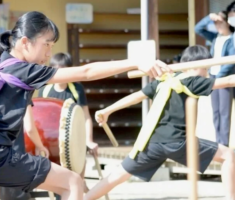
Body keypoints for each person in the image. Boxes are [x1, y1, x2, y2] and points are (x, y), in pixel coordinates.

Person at [0, 11, 170, 200]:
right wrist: (136, 62)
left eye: (52, 46)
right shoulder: (27, 71)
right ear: (25, 42)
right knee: (72, 182)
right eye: (46, 45)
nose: (48, 53)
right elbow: (86, 72)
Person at [84, 45, 235, 200]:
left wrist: (107, 110)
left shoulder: (163, 82)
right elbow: (229, 80)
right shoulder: (193, 82)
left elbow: (136, 96)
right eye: (205, 67)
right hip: (178, 142)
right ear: (195, 66)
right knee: (228, 155)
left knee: (117, 175)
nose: (206, 72)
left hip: (152, 144)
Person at [38, 52, 97, 193]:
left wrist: (89, 140)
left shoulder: (76, 89)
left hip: (74, 137)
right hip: (53, 139)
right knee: (62, 182)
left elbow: (86, 117)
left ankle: (83, 188)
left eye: (63, 70)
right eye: (56, 70)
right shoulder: (45, 90)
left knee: (78, 173)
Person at [195, 11, 235, 147]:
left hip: (224, 79)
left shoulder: (232, 38)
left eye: (220, 22)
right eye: (216, 23)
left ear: (227, 22)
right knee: (216, 112)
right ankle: (218, 142)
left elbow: (231, 62)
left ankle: (224, 143)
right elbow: (197, 29)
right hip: (213, 77)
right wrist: (209, 18)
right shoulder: (215, 37)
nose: (217, 25)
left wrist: (219, 76)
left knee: (225, 112)